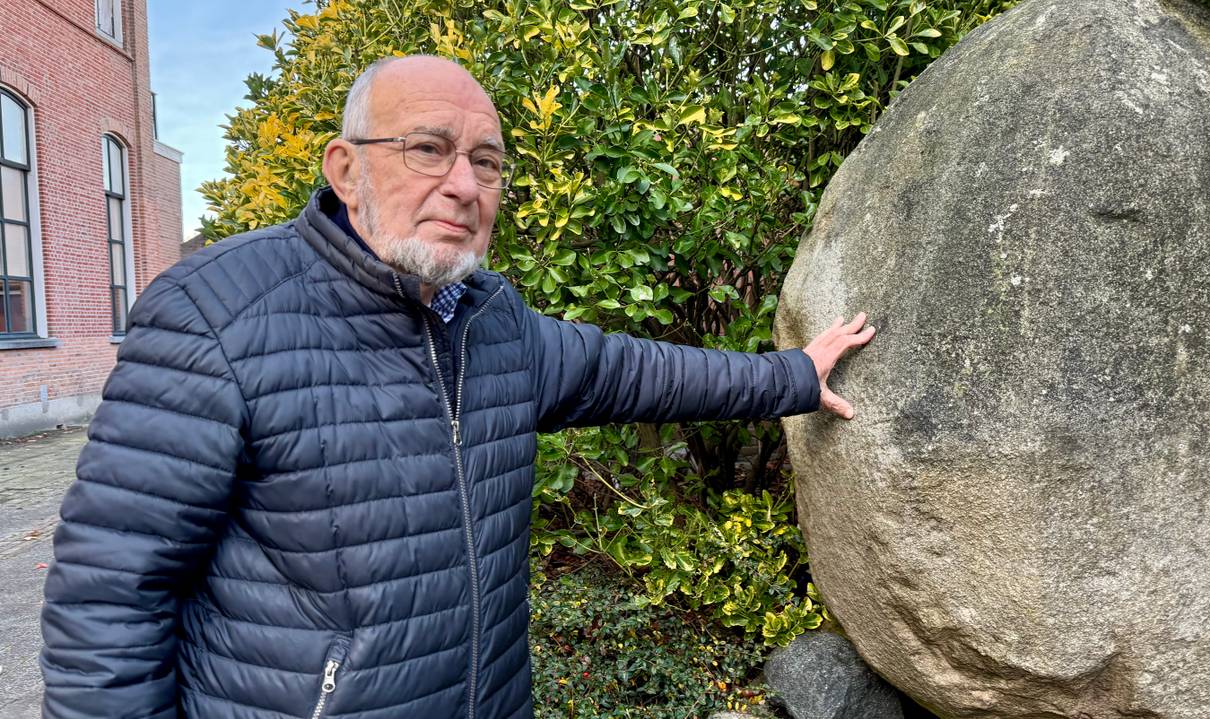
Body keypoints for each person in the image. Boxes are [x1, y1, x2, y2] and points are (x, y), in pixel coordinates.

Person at [39, 55, 875, 719]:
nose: (465, 185)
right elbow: (108, 599)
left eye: (487, 162)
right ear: (345, 169)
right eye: (428, 149)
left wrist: (794, 375)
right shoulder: (216, 313)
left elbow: (630, 370)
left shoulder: (491, 320)